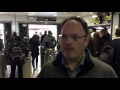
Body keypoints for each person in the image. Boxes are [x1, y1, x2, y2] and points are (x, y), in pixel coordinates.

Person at [37, 16, 117, 78]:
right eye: (64, 37)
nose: (67, 42)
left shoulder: (105, 72)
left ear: (86, 40)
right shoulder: (47, 70)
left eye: (75, 37)